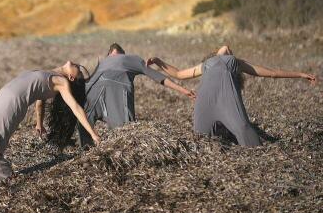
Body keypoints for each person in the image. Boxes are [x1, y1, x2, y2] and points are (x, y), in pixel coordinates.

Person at [147, 45, 317, 146]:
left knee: (244, 129)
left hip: (228, 101)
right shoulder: (206, 64)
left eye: (230, 49)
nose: (227, 46)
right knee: (201, 140)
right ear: (214, 53)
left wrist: (300, 74)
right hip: (204, 103)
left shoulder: (237, 63)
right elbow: (179, 74)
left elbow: (272, 73)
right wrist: (158, 62)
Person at [0, 61, 100, 183]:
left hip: (14, 99)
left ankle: (7, 178)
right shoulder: (51, 73)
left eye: (80, 72)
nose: (79, 66)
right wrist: (39, 123)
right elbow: (40, 103)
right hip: (4, 94)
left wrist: (93, 134)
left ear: (71, 77)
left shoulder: (62, 82)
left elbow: (75, 108)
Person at [77, 43, 196, 147]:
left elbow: (85, 83)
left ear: (109, 53)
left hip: (92, 90)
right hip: (116, 90)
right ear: (122, 53)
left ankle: (86, 153)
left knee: (84, 125)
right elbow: (158, 77)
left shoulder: (102, 63)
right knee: (125, 136)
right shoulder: (132, 58)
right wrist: (182, 90)